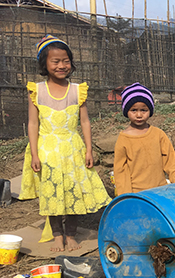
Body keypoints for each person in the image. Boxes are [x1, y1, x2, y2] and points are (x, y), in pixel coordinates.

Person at [19, 35, 111, 252]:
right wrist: (34, 153)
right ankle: (57, 235)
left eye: (65, 61)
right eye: (55, 61)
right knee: (52, 195)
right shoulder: (37, 91)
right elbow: (33, 124)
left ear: (71, 62)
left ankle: (70, 234)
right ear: (45, 64)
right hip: (47, 152)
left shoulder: (78, 90)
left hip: (73, 151)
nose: (61, 65)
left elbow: (85, 121)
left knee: (73, 192)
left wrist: (89, 149)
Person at [113, 82, 175, 195]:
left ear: (150, 111)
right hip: (137, 194)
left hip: (160, 191)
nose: (139, 115)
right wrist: (125, 195)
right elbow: (120, 170)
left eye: (143, 110)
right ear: (126, 111)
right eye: (134, 110)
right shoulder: (124, 139)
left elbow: (169, 160)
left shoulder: (158, 134)